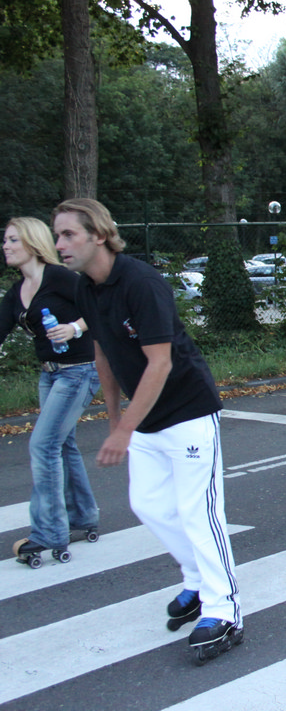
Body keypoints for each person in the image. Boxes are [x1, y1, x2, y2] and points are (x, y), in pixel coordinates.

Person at [52, 198, 241, 663]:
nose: (59, 244)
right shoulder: (86, 288)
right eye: (57, 236)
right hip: (146, 419)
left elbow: (160, 363)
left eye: (68, 234)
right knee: (148, 505)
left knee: (199, 513)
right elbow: (104, 353)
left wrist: (124, 431)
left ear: (98, 234)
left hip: (187, 412)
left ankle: (225, 610)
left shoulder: (141, 282)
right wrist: (114, 418)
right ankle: (197, 581)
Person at [2, 217, 101, 568]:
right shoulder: (17, 291)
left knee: (43, 445)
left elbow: (99, 304)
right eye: (5, 240)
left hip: (79, 371)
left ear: (32, 242)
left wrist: (74, 328)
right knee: (63, 444)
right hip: (50, 375)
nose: (6, 246)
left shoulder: (59, 277)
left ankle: (48, 532)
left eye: (13, 239)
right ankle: (83, 516)